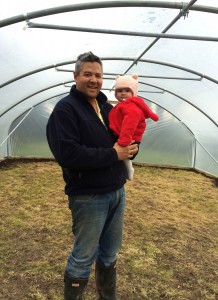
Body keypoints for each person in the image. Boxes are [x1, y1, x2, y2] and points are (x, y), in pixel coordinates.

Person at [46, 51, 138, 300]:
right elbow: (68, 154)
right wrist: (114, 154)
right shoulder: (65, 110)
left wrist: (131, 147)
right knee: (83, 256)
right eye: (88, 74)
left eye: (98, 75)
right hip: (89, 197)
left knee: (109, 253)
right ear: (76, 76)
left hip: (116, 192)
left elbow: (120, 141)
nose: (94, 80)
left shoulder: (108, 108)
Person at [108, 74, 159, 180]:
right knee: (124, 155)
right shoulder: (122, 105)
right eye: (119, 90)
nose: (123, 93)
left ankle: (129, 169)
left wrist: (123, 141)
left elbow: (129, 125)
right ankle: (127, 169)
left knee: (125, 155)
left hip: (129, 137)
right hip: (126, 136)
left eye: (127, 90)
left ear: (133, 92)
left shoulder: (131, 107)